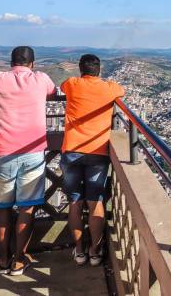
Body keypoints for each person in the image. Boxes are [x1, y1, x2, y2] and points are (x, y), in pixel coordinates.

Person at [0, 46, 56, 275]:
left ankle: (3, 258)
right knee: (27, 208)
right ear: (32, 64)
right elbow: (52, 93)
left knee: (2, 207)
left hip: (2, 151)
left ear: (10, 62)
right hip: (33, 152)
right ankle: (18, 260)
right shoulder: (41, 79)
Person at [60, 54, 125, 265]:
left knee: (75, 202)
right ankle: (95, 251)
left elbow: (62, 87)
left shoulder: (72, 84)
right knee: (95, 201)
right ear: (100, 69)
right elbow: (121, 91)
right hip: (98, 151)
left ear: (80, 69)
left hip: (71, 150)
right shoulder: (109, 88)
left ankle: (79, 251)